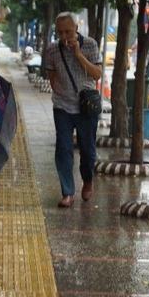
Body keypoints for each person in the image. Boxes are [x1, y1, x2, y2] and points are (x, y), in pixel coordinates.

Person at [43, 12, 101, 208]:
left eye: (67, 31)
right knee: (63, 149)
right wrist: (61, 93)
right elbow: (51, 77)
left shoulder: (90, 45)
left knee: (87, 150)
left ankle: (88, 180)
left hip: (86, 107)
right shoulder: (52, 49)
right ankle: (67, 192)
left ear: (76, 28)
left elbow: (97, 74)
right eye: (60, 32)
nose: (64, 36)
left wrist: (78, 55)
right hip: (62, 107)